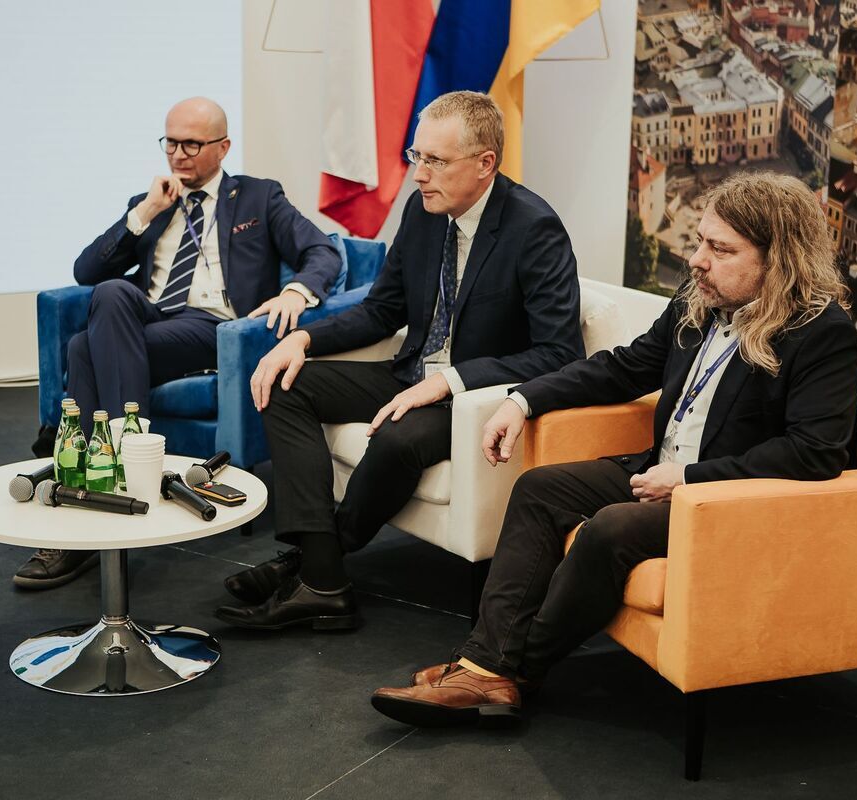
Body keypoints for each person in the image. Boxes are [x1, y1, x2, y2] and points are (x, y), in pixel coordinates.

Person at [369, 171, 857, 727]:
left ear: (779, 260)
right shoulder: (701, 301)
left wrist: (689, 479)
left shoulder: (823, 333)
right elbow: (623, 368)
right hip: (661, 472)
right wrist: (522, 400)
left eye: (721, 250)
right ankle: (487, 666)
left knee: (611, 527)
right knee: (540, 488)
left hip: (725, 502)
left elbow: (814, 452)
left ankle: (503, 670)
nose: (697, 260)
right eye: (700, 241)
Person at [214, 91, 584, 632]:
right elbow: (382, 310)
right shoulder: (424, 211)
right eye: (416, 156)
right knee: (286, 383)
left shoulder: (534, 228)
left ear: (485, 163)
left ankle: (312, 572)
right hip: (410, 371)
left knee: (397, 437)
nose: (419, 174)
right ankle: (323, 576)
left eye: (435, 160)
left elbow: (559, 353)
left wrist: (451, 381)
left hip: (473, 399)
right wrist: (305, 339)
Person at [15, 97, 342, 590]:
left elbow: (320, 251)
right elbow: (86, 271)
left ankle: (86, 502)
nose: (178, 155)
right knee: (108, 299)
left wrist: (296, 291)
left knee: (84, 347)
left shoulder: (258, 197)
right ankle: (129, 462)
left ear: (223, 147)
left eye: (191, 144)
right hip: (148, 321)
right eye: (170, 143)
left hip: (215, 328)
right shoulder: (151, 202)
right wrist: (146, 211)